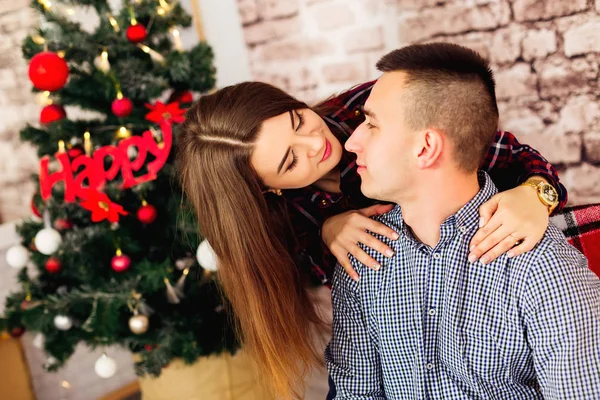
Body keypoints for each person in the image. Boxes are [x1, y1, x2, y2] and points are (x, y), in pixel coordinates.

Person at [175, 74, 569, 396]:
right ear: (267, 189)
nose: (316, 143)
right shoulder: (285, 221)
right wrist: (327, 232)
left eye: (298, 120)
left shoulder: (377, 108)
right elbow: (364, 315)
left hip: (501, 274)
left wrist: (535, 193)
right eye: (290, 160)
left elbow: (512, 155)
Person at [325, 42, 600, 399]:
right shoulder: (362, 259)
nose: (352, 142)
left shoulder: (541, 267)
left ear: (426, 148)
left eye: (372, 125)